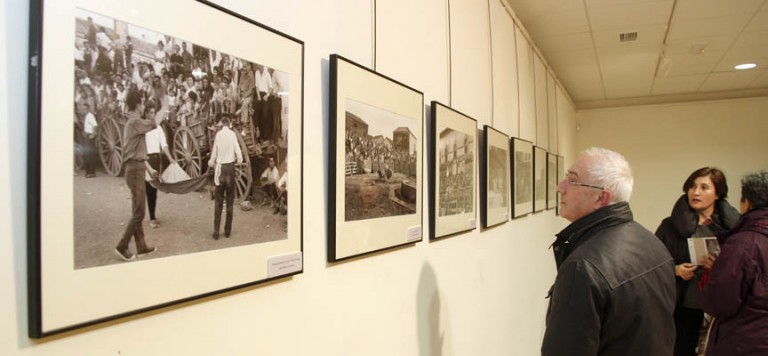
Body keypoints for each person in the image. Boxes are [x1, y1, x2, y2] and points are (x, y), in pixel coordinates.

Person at [542, 147, 676, 356]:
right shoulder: (651, 242)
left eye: (573, 180)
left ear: (600, 198)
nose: (561, 187)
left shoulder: (583, 267)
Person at [655, 167, 740, 356]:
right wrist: (675, 270)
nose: (696, 192)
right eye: (692, 186)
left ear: (717, 194)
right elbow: (653, 264)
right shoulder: (669, 226)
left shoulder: (734, 227)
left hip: (722, 306)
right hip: (684, 305)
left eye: (704, 187)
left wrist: (720, 268)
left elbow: (744, 266)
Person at [700, 170, 768, 356]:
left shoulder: (742, 244)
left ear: (746, 203)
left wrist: (716, 271)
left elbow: (719, 304)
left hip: (745, 342)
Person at [115, 90, 158, 261]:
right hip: (134, 170)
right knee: (139, 212)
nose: (143, 106)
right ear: (138, 104)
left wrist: (148, 169)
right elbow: (154, 124)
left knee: (137, 210)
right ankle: (122, 245)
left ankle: (141, 246)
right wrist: (164, 103)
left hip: (136, 168)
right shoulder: (135, 122)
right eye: (141, 103)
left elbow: (140, 153)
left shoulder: (133, 122)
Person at [208, 113, 243, 240]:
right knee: (229, 202)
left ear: (222, 124)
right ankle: (227, 231)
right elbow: (239, 155)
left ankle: (216, 232)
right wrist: (238, 161)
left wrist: (211, 163)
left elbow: (213, 155)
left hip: (220, 169)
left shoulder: (218, 135)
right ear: (229, 123)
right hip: (230, 169)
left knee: (218, 202)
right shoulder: (233, 135)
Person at [144, 105, 175, 229]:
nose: (153, 115)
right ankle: (151, 217)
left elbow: (164, 145)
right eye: (150, 112)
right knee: (148, 189)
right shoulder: (143, 128)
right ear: (146, 113)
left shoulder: (158, 128)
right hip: (146, 159)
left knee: (154, 191)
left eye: (154, 113)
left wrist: (171, 158)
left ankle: (152, 216)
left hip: (157, 159)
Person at [82, 103, 98, 178]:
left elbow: (95, 125)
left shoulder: (90, 116)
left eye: (85, 108)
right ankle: (88, 172)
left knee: (90, 154)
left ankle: (92, 172)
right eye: (83, 109)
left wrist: (93, 134)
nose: (84, 110)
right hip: (86, 135)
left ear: (88, 109)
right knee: (87, 154)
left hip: (90, 136)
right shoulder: (86, 116)